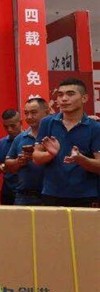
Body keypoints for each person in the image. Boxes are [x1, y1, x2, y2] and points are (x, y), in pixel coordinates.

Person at [32, 78, 100, 207]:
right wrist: (50, 154)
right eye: (60, 95)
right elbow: (36, 158)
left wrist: (81, 159)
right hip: (51, 194)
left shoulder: (95, 127)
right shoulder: (47, 122)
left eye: (70, 94)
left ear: (84, 98)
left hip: (85, 196)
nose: (64, 99)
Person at [5, 98, 48, 205]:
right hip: (24, 197)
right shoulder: (20, 138)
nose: (29, 117)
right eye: (26, 113)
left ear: (47, 112)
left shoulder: (55, 135)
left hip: (51, 196)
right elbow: (8, 164)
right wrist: (18, 161)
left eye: (33, 112)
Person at [0, 109, 23, 205]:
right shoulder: (2, 143)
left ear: (20, 123)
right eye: (6, 127)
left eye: (13, 126)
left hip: (27, 190)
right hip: (8, 189)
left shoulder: (30, 140)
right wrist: (4, 167)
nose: (9, 129)